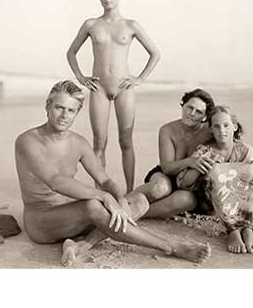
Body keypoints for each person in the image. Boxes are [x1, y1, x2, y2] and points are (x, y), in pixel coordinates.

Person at [15, 80, 211, 267]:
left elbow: (105, 179)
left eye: (71, 110)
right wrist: (104, 197)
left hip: (73, 218)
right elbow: (55, 181)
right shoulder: (28, 140)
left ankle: (81, 245)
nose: (64, 115)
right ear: (48, 106)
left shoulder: (78, 142)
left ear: (77, 113)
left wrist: (119, 199)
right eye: (59, 108)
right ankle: (171, 247)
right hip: (41, 222)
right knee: (94, 205)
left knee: (139, 201)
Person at [66, 0, 161, 193]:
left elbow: (155, 53)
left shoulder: (130, 25)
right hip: (98, 88)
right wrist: (81, 77)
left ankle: (129, 192)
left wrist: (140, 78)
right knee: (99, 143)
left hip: (123, 89)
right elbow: (71, 52)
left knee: (125, 141)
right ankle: (101, 193)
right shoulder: (91, 24)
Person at [177, 105, 253, 254]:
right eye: (217, 126)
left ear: (235, 126)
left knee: (251, 170)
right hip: (212, 203)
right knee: (217, 170)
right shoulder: (206, 150)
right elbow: (183, 182)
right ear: (211, 129)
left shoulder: (246, 150)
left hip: (241, 203)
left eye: (226, 125)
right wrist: (199, 165)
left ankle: (247, 229)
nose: (222, 130)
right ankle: (232, 231)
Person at [132, 89, 216, 218]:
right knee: (159, 188)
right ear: (183, 105)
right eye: (190, 107)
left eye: (198, 112)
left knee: (187, 200)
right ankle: (120, 204)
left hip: (189, 183)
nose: (192, 114)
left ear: (205, 117)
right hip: (167, 174)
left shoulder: (210, 132)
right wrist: (190, 161)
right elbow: (166, 168)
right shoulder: (168, 130)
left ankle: (132, 213)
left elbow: (231, 141)